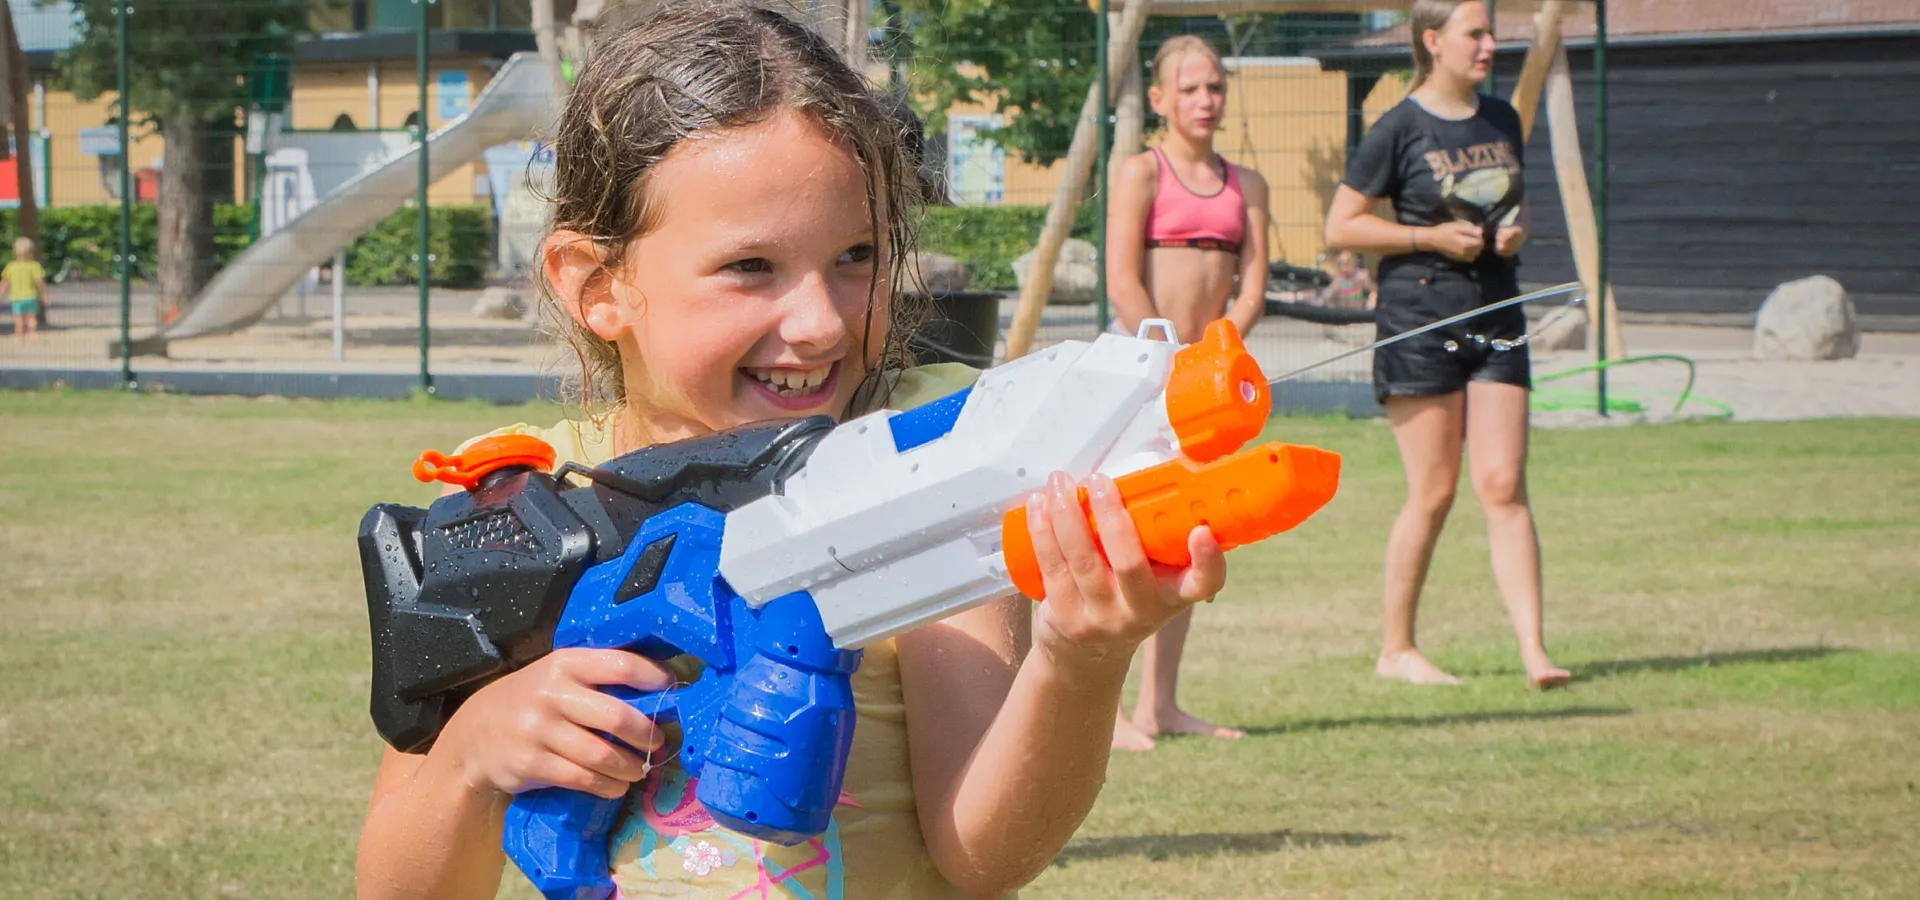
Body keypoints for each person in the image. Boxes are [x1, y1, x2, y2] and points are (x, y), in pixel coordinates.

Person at [354, 5, 1236, 899]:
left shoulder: (928, 485)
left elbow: (986, 855)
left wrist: (1079, 662)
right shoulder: (515, 511)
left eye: (856, 255)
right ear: (595, 285)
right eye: (751, 267)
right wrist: (470, 756)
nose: (820, 323)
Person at [1323, 0, 1570, 691]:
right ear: (1433, 41)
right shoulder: (1398, 127)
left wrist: (1511, 232)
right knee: (1433, 492)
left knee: (1504, 485)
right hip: (1419, 321)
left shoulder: (1502, 120)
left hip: (1498, 310)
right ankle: (1396, 648)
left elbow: (1500, 201)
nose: (1491, 44)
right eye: (1476, 33)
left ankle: (1535, 652)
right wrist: (1426, 237)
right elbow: (1341, 225)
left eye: (1491, 32)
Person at [1101, 34, 1269, 752]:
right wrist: (1169, 360)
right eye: (1192, 88)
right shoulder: (1140, 172)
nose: (1207, 100)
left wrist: (1218, 359)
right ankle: (1102, 706)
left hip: (1208, 387)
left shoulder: (1248, 184)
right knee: (1121, 540)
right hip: (1145, 377)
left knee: (1191, 536)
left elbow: (1254, 284)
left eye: (1217, 87)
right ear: (1162, 99)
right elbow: (1121, 280)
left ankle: (1160, 705)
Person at [4, 237, 46, 342]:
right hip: (31, 296)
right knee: (31, 317)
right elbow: (39, 282)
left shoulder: (11, 266)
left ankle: (19, 335)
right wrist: (44, 294)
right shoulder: (34, 266)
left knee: (18, 318)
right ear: (31, 252)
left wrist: (1, 295)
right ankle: (32, 335)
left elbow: (4, 283)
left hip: (16, 297)